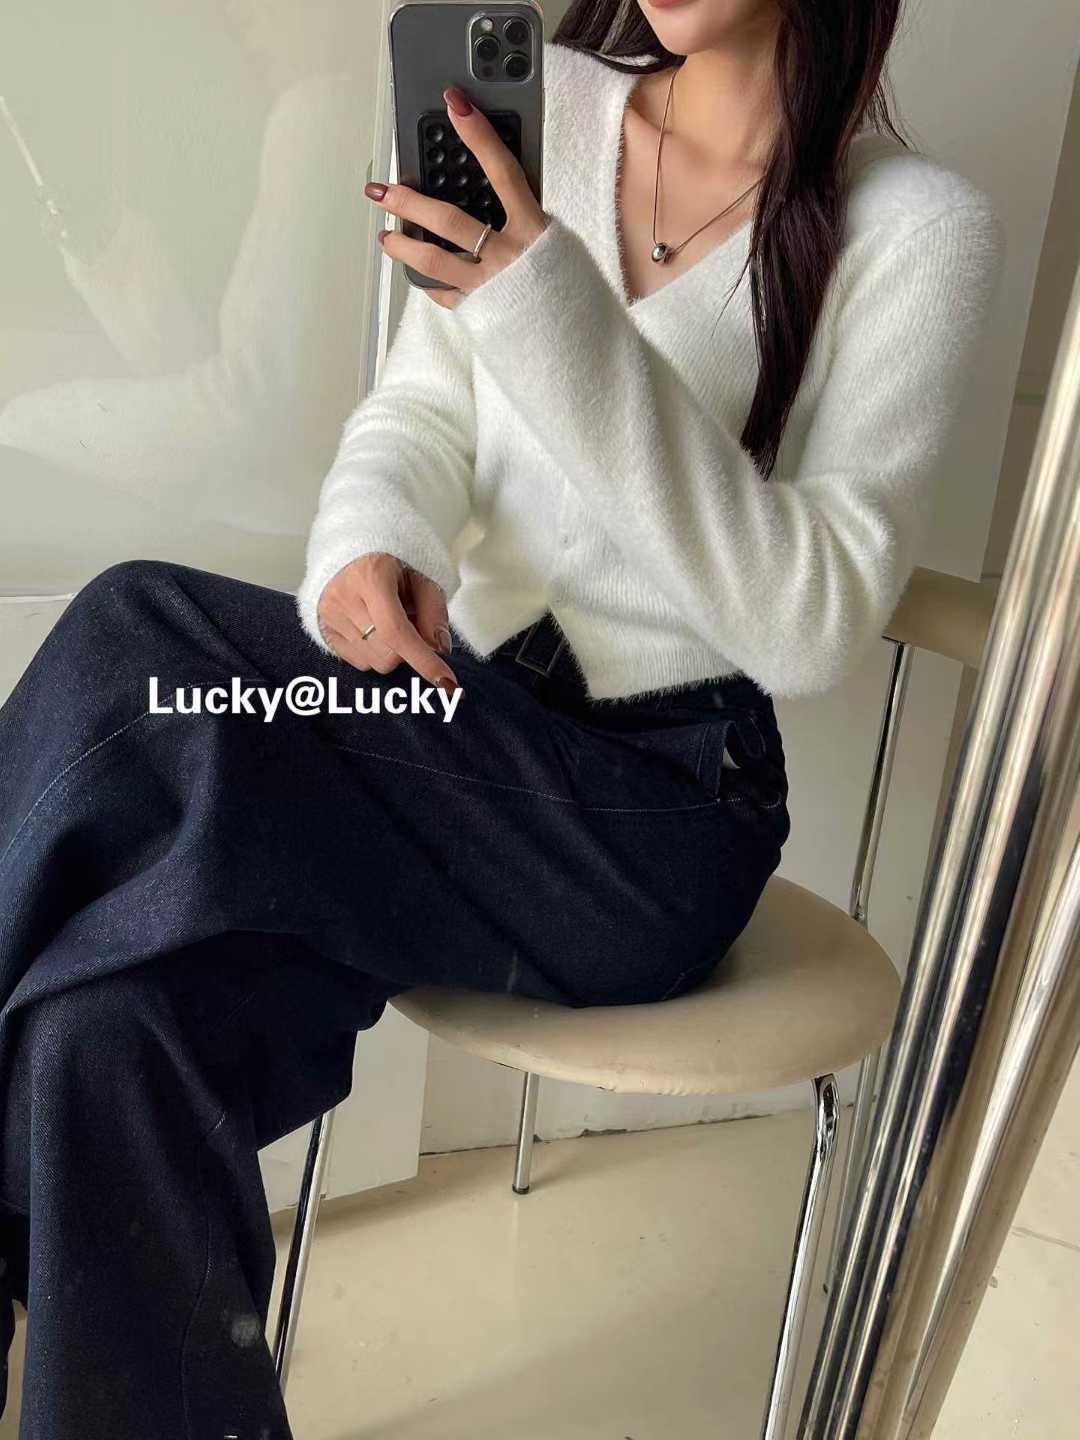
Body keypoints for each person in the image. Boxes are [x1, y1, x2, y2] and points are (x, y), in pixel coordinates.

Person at [0, 2, 1006, 1435]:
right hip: (444, 723)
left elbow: (813, 618)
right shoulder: (560, 116)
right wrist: (370, 544)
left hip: (653, 815)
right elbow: (420, 413)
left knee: (135, 636)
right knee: (105, 1027)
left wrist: (544, 299)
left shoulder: (914, 228)